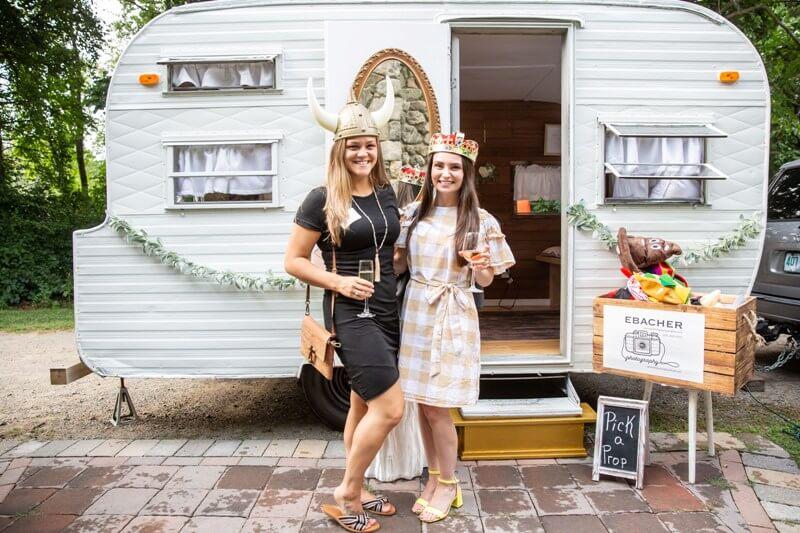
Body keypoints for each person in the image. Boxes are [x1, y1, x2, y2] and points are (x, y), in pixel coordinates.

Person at [285, 78, 403, 533]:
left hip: (387, 309)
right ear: (340, 150)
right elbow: (293, 260)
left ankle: (362, 486)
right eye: (354, 146)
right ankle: (347, 494)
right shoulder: (322, 198)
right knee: (390, 409)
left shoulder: (386, 192)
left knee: (361, 405)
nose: (362, 153)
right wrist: (338, 281)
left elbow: (389, 249)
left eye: (369, 145)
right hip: (351, 314)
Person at [393, 132, 515, 524]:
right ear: (429, 170)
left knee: (439, 406)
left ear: (466, 174)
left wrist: (482, 266)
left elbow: (486, 281)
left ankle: (448, 483)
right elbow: (399, 267)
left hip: (454, 313)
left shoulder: (480, 220)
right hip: (417, 310)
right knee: (422, 403)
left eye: (454, 168)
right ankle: (434, 477)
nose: (445, 174)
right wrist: (392, 252)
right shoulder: (412, 214)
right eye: (439, 166)